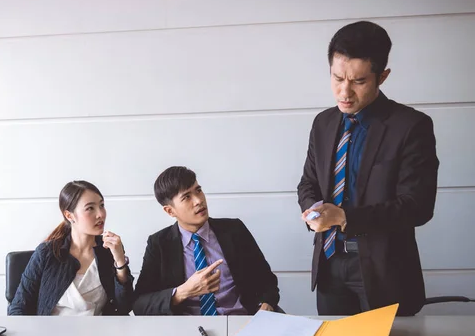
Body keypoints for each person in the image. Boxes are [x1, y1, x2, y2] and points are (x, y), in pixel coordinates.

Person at [297, 21, 439, 316]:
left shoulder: (411, 126)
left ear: (382, 77)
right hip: (329, 263)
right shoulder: (323, 123)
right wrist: (313, 210)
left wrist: (346, 217)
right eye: (337, 78)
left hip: (384, 271)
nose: (344, 92)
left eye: (358, 81)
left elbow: (417, 206)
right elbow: (308, 183)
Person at [133, 166, 281, 315]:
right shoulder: (159, 243)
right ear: (170, 211)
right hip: (188, 328)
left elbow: (266, 280)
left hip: (241, 320)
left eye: (198, 190)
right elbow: (140, 304)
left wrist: (266, 304)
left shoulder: (234, 230)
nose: (198, 201)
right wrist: (182, 292)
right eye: (187, 197)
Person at [9, 180, 134, 316]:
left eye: (102, 205)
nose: (101, 214)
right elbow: (18, 308)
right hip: (50, 334)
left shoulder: (109, 250)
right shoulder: (47, 252)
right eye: (90, 208)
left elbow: (125, 308)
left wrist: (120, 262)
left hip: (98, 334)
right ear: (69, 216)